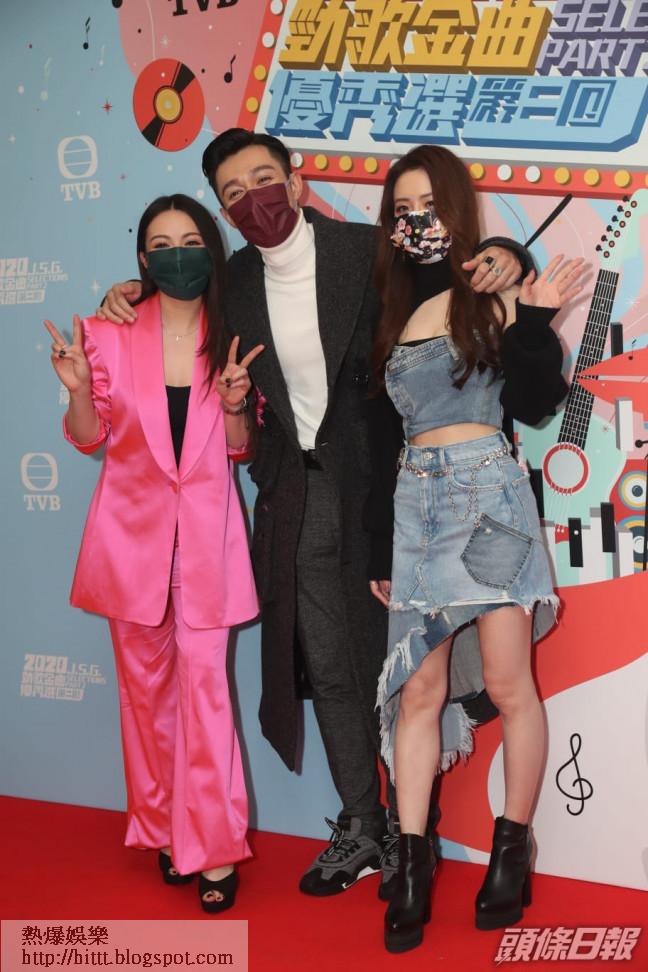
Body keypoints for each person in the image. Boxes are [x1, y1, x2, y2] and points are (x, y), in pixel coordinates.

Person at [98, 129, 531, 899]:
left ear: (295, 181)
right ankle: (362, 821)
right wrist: (127, 291)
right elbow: (175, 302)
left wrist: (509, 254)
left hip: (390, 494)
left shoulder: (368, 251)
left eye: (264, 179)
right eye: (234, 193)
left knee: (398, 668)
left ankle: (412, 833)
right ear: (224, 210)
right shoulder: (233, 279)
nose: (254, 200)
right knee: (328, 666)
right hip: (295, 494)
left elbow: (452, 271)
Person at [370, 145, 584, 953]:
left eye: (429, 205)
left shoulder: (494, 285)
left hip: (491, 499)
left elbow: (533, 404)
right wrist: (378, 549)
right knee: (418, 692)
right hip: (415, 508)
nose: (416, 221)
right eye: (402, 209)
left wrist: (531, 317)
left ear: (457, 208)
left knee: (507, 681)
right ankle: (412, 865)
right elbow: (379, 436)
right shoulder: (387, 306)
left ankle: (511, 852)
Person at [44, 194, 262, 914]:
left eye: (189, 240)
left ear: (211, 249)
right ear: (143, 258)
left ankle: (214, 847)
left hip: (207, 547)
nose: (177, 255)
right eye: (161, 245)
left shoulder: (236, 332)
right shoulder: (106, 331)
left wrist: (236, 403)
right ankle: (168, 828)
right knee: (145, 699)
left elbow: (239, 449)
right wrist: (79, 390)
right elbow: (89, 436)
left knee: (206, 694)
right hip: (129, 545)